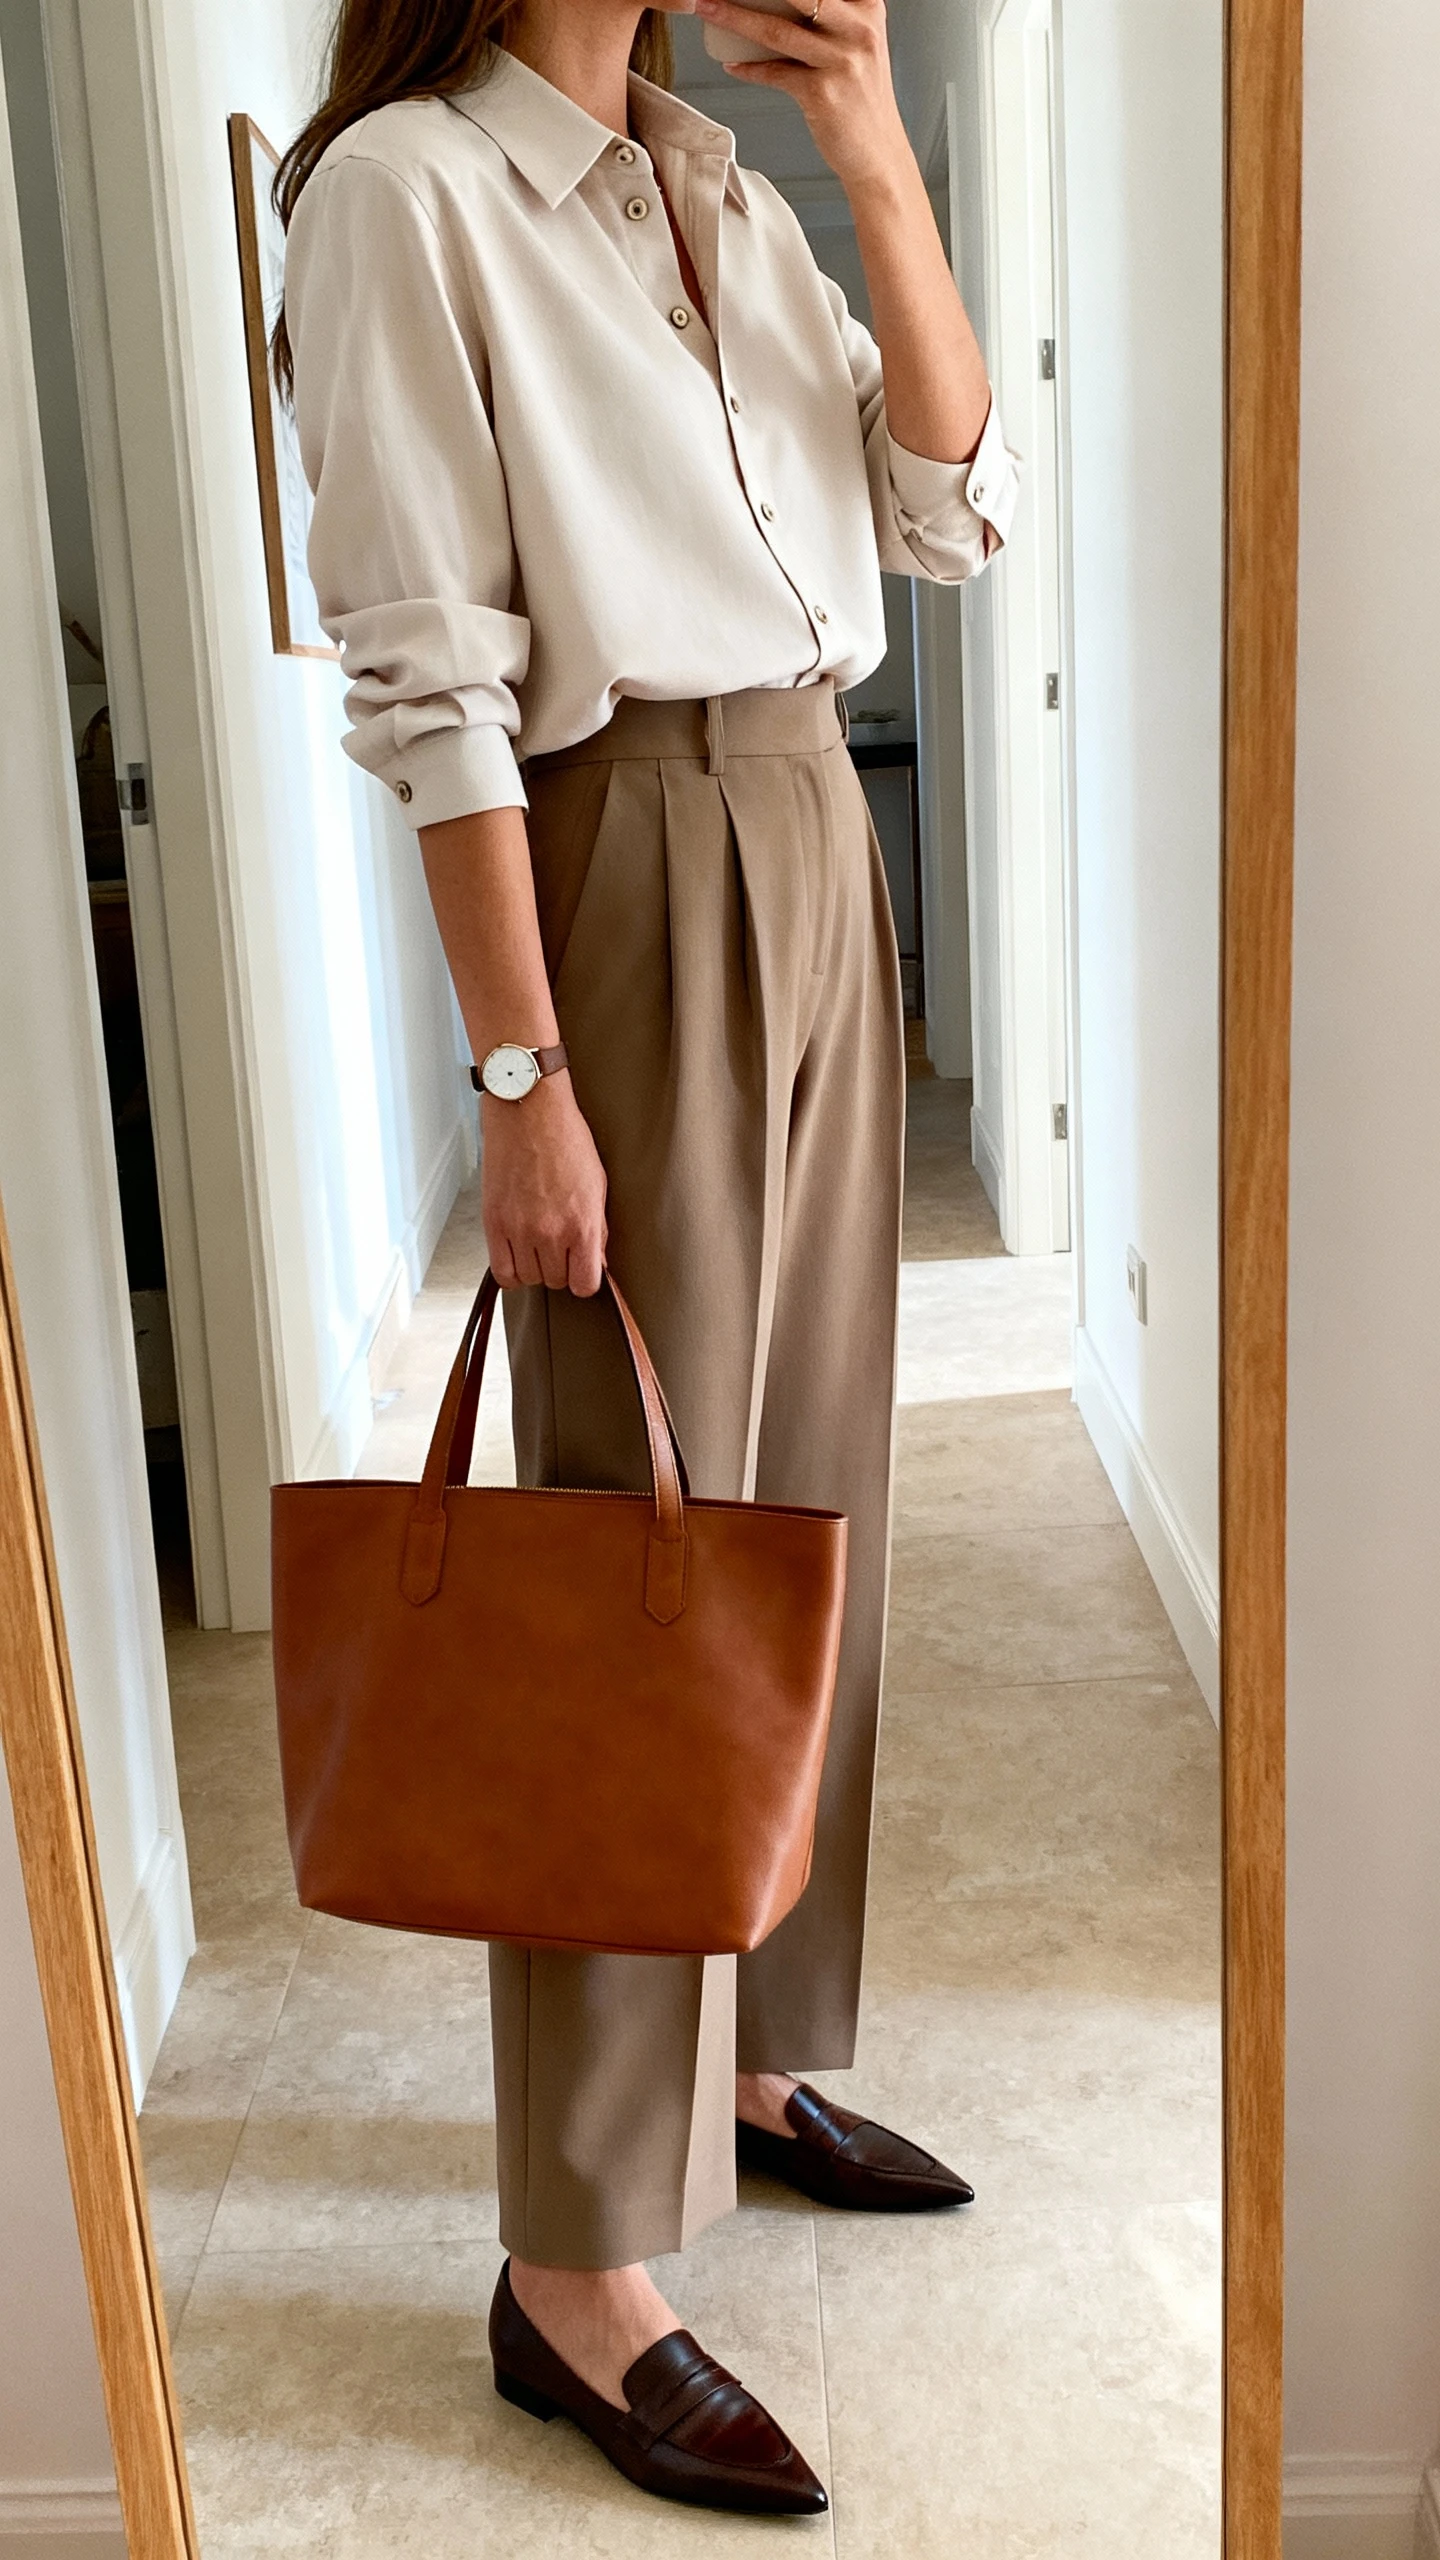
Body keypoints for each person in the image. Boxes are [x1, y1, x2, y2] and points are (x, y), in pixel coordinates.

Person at [280, 0, 1017, 2514]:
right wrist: (519, 1077)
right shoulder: (406, 198)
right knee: (631, 1546)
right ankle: (576, 2257)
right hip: (623, 860)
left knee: (811, 1510)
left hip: (816, 829)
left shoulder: (717, 177)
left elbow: (942, 502)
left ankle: (767, 2036)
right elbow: (431, 682)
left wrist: (871, 153)